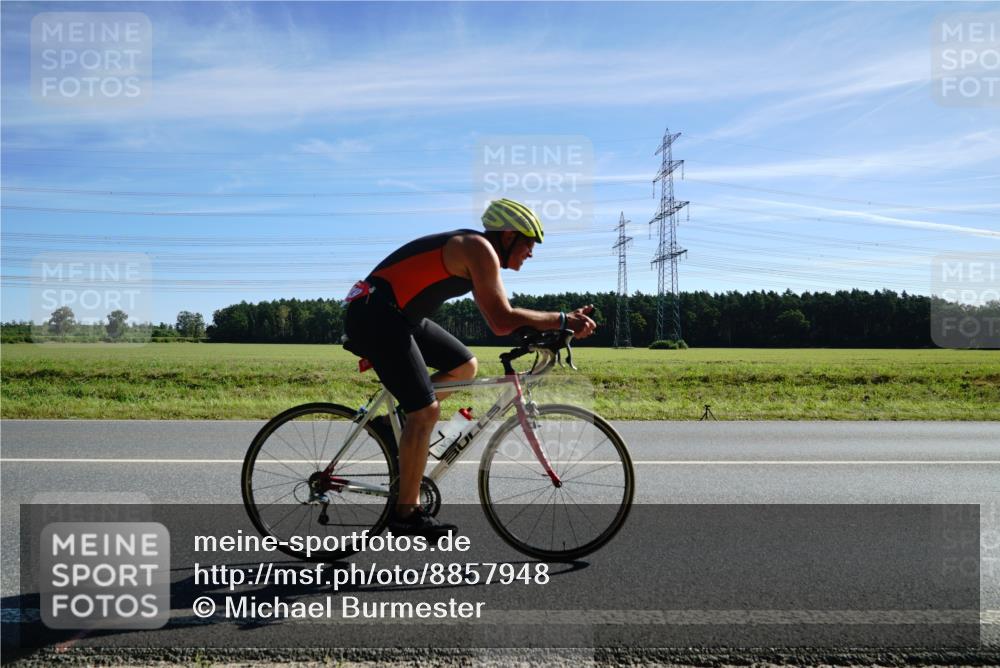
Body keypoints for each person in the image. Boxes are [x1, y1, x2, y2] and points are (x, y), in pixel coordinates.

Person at [343, 198, 597, 537]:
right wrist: (562, 319)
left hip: (398, 316)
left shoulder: (478, 251)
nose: (531, 252)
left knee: (465, 366)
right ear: (508, 235)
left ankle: (396, 423)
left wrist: (552, 327)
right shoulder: (479, 248)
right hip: (376, 314)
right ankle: (405, 514)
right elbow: (501, 320)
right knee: (426, 411)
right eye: (529, 243)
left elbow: (500, 315)